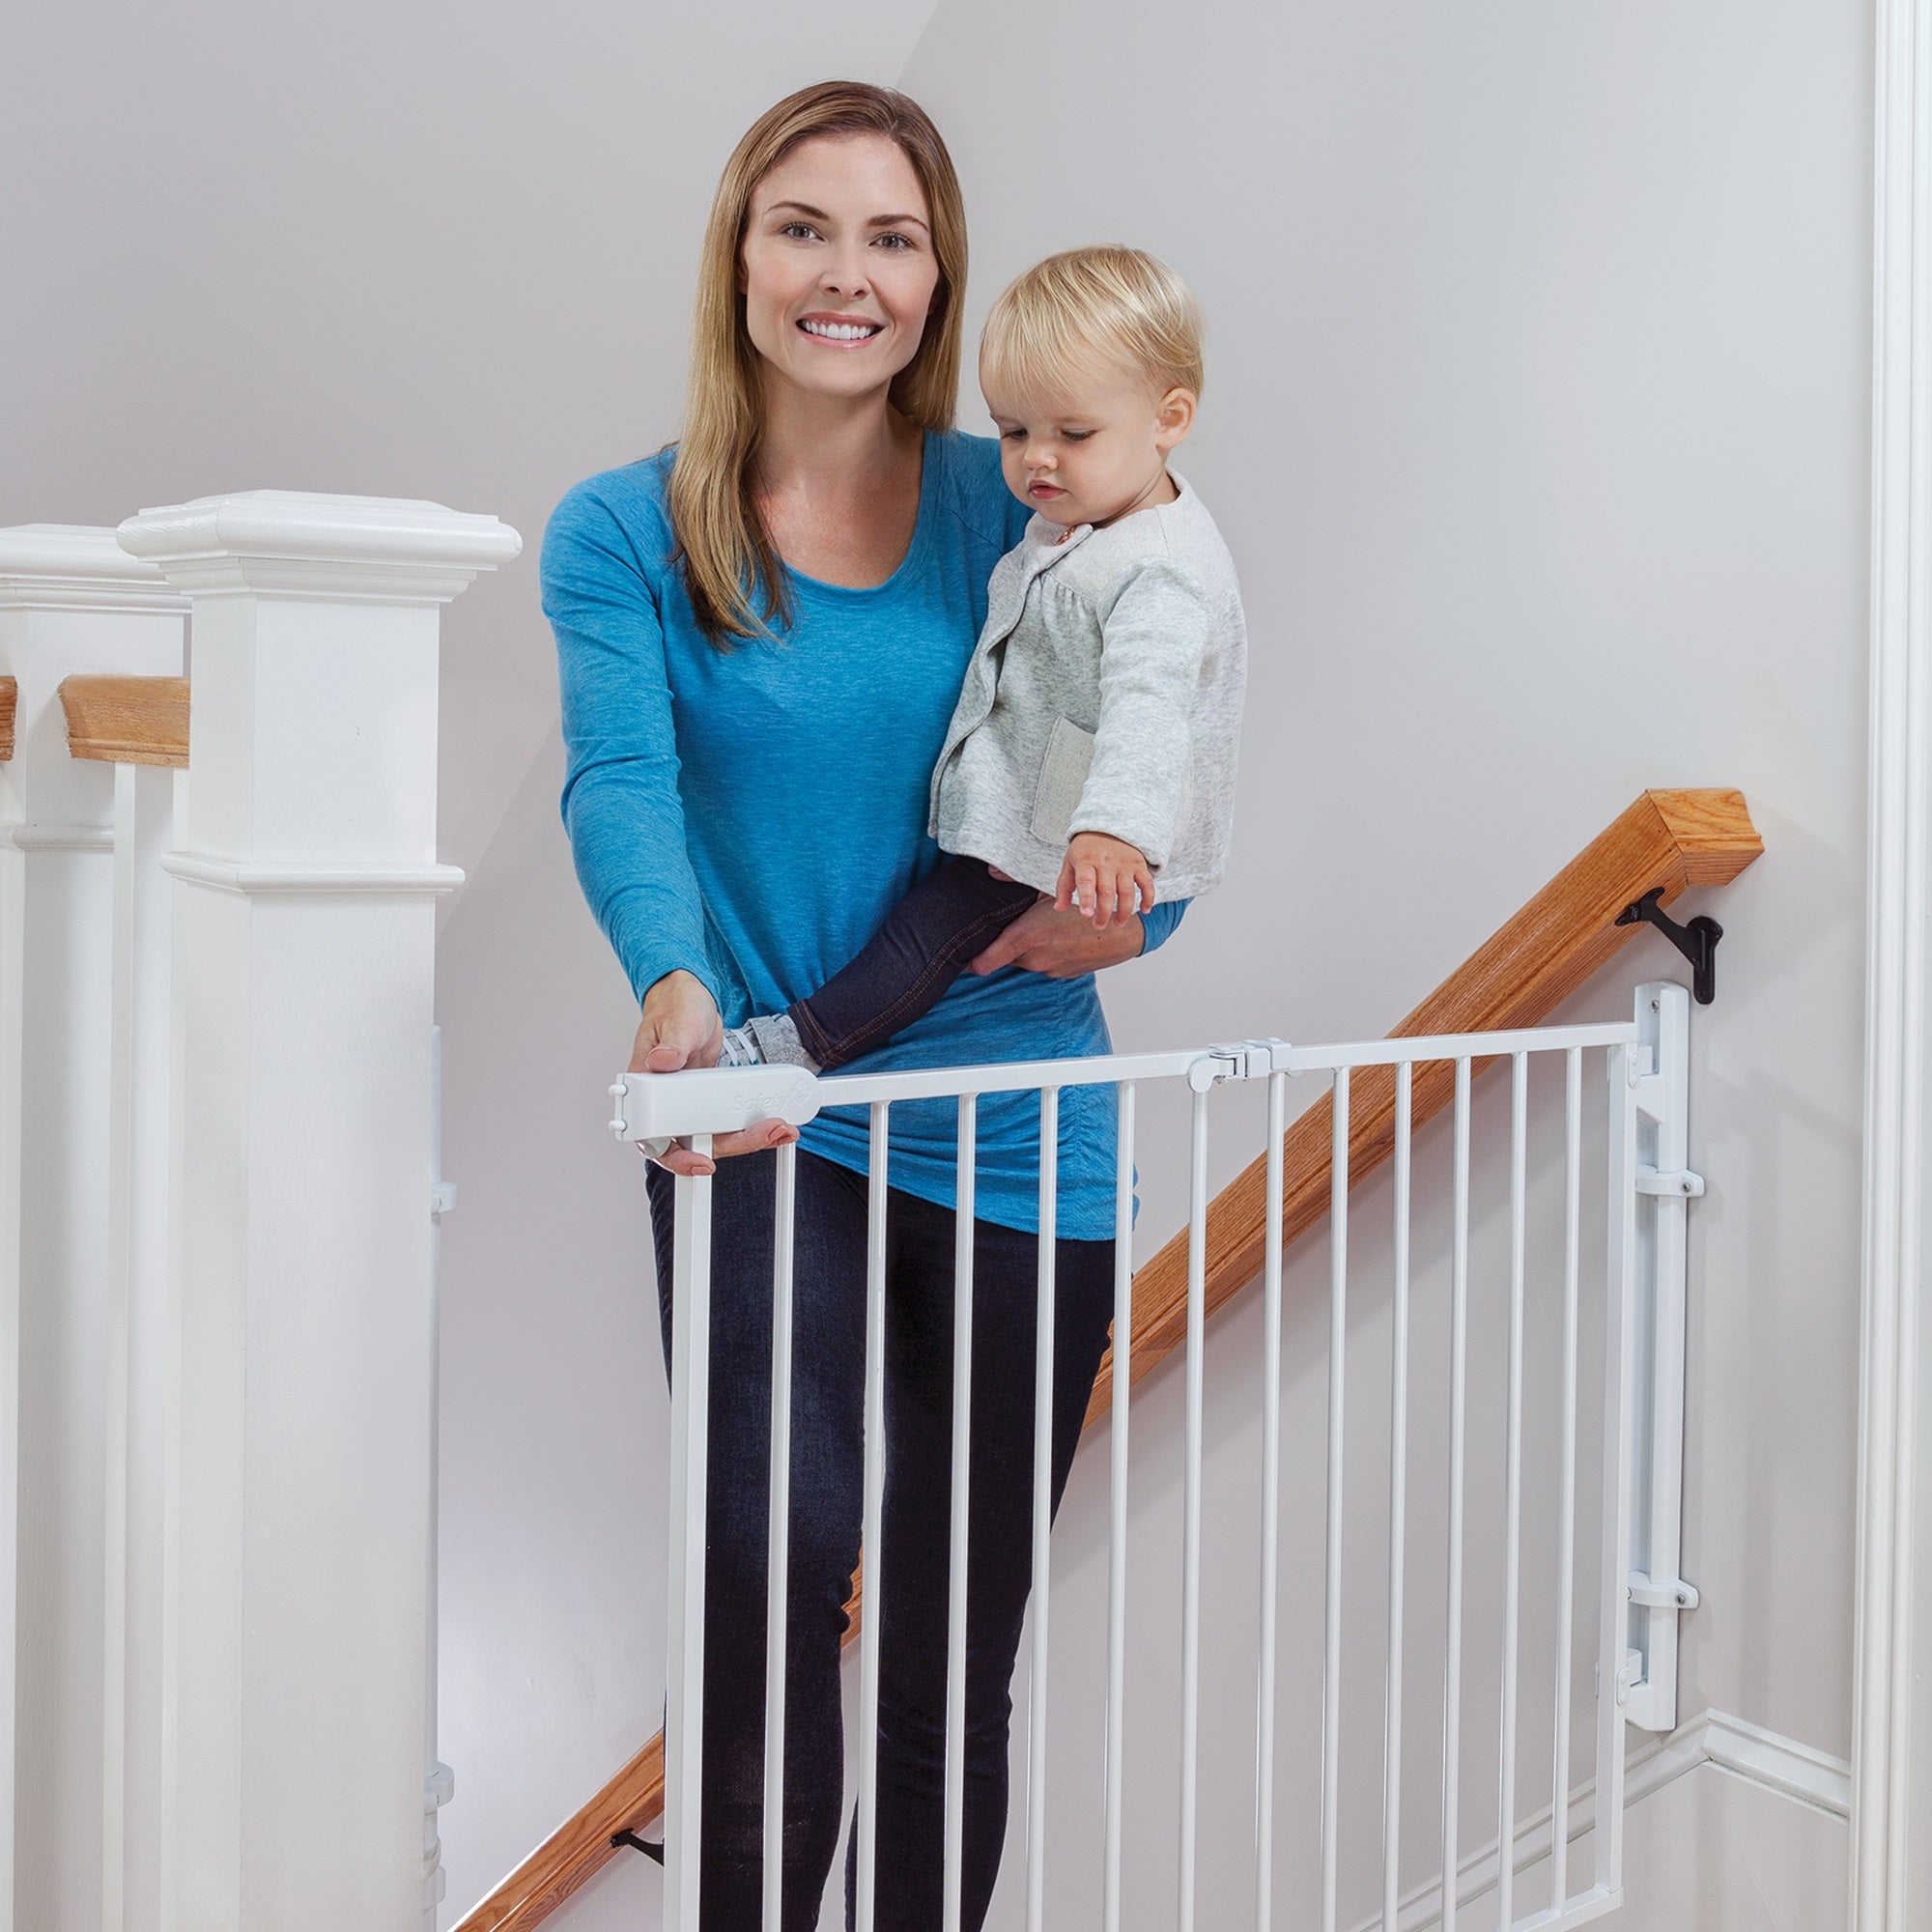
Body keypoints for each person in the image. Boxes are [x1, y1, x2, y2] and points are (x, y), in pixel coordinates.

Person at [543, 81, 1187, 1931]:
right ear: (738, 260)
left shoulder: (1030, 491)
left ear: (939, 271)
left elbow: (1163, 707)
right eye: (804, 228)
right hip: (757, 1110)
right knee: (765, 1605)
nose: (849, 275)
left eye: (892, 237)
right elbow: (619, 781)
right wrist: (673, 983)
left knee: (946, 1655)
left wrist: (1149, 907)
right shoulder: (625, 530)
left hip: (1014, 1127)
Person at [724, 244, 1245, 1077]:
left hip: (1073, 826)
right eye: (1013, 431)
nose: (1036, 458)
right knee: (932, 930)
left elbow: (1151, 706)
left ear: (1169, 419)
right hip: (1050, 807)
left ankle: (791, 1048)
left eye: (1073, 433)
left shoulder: (1158, 571)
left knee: (928, 937)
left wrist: (1113, 829)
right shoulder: (1092, 519)